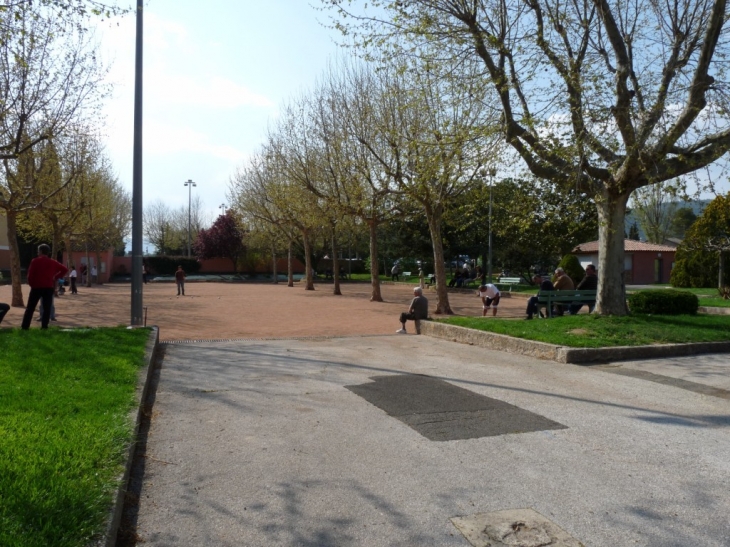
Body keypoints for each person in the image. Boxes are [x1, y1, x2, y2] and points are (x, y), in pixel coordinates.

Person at [21, 244, 68, 330]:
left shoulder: (35, 261)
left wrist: (32, 284)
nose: (37, 252)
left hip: (36, 287)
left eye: (38, 251)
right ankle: (44, 327)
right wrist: (55, 277)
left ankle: (25, 326)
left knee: (30, 308)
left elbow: (30, 275)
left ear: (41, 251)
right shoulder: (53, 262)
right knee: (47, 308)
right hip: (48, 287)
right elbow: (65, 269)